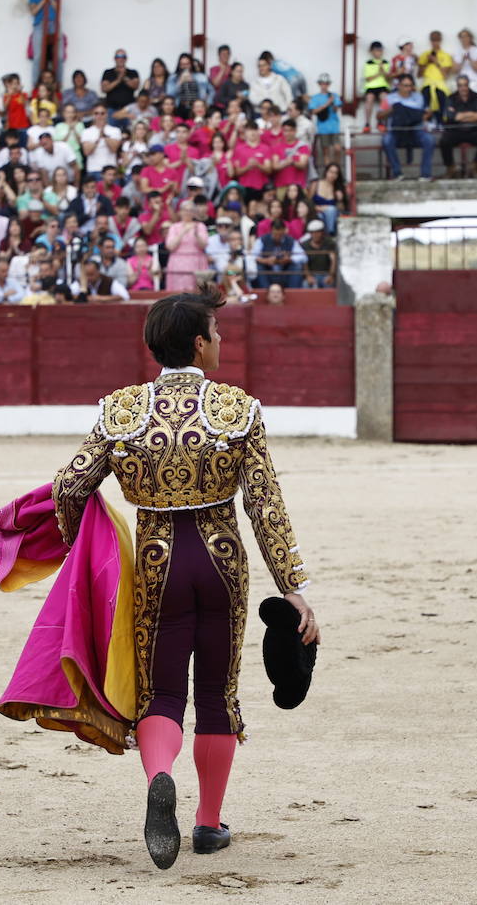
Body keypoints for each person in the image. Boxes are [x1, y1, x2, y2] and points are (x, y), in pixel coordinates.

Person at [49, 287, 317, 868]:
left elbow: (68, 487)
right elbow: (265, 504)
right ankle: (207, 823)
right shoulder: (237, 409)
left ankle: (159, 777)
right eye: (216, 333)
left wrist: (80, 550)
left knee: (162, 692)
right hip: (220, 559)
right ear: (199, 343)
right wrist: (292, 585)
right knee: (217, 694)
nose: (221, 341)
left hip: (156, 561)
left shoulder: (121, 411)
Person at [438, 75, 477, 179]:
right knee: (444, 141)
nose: (463, 88)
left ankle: (475, 166)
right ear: (457, 86)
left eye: (465, 85)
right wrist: (471, 114)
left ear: (468, 85)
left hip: (474, 130)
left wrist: (461, 115)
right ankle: (451, 167)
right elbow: (452, 117)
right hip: (455, 131)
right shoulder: (451, 98)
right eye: (460, 85)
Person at [382, 75, 434, 181]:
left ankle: (425, 174)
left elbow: (428, 112)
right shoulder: (389, 98)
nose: (408, 89)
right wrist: (392, 109)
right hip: (397, 130)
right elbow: (379, 115)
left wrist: (420, 116)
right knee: (387, 140)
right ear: (399, 86)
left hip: (416, 130)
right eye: (405, 86)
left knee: (430, 140)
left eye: (410, 86)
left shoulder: (419, 97)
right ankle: (397, 173)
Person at [163, 200, 208, 291]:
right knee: (177, 292)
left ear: (194, 212)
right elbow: (170, 246)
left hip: (196, 261)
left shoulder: (200, 226)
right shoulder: (174, 227)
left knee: (196, 291)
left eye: (190, 210)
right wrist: (183, 232)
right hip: (178, 262)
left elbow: (203, 245)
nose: (188, 212)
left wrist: (196, 235)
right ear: (180, 212)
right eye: (185, 210)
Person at [251, 219, 305, 288]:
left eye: (280, 235)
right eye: (275, 234)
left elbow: (303, 257)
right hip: (268, 272)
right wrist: (266, 261)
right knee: (259, 267)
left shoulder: (291, 240)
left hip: (285, 272)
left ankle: (293, 293)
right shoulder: (262, 240)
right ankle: (265, 292)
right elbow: (252, 256)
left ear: (284, 231)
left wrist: (289, 259)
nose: (278, 237)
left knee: (297, 267)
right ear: (271, 231)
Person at [307, 74, 342, 166]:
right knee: (326, 152)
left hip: (334, 126)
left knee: (337, 148)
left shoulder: (334, 95)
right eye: (322, 83)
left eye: (326, 83)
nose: (324, 85)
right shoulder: (315, 98)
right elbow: (313, 111)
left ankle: (336, 168)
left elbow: (336, 108)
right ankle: (328, 170)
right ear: (319, 84)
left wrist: (333, 103)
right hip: (323, 127)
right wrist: (327, 103)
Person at [418, 31, 454, 112]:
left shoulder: (446, 55)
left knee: (442, 98)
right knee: (425, 96)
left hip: (440, 84)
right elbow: (419, 75)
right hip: (426, 84)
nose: (434, 42)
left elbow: (445, 75)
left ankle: (441, 121)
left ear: (440, 40)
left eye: (436, 40)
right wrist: (426, 63)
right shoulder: (425, 55)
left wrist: (436, 62)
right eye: (432, 40)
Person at [361, 41, 390, 133]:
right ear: (372, 51)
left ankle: (381, 122)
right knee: (369, 99)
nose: (378, 52)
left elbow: (388, 78)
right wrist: (379, 73)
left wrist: (383, 71)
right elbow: (368, 78)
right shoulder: (368, 63)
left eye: (380, 50)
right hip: (371, 87)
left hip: (383, 86)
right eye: (376, 50)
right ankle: (367, 124)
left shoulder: (385, 62)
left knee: (384, 98)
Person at [301, 220, 335, 288]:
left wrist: (331, 276)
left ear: (322, 232)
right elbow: (304, 262)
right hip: (312, 275)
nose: (315, 234)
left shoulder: (329, 243)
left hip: (326, 274)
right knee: (306, 285)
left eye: (318, 232)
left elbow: (333, 260)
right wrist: (308, 276)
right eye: (313, 232)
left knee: (329, 285)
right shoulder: (305, 245)